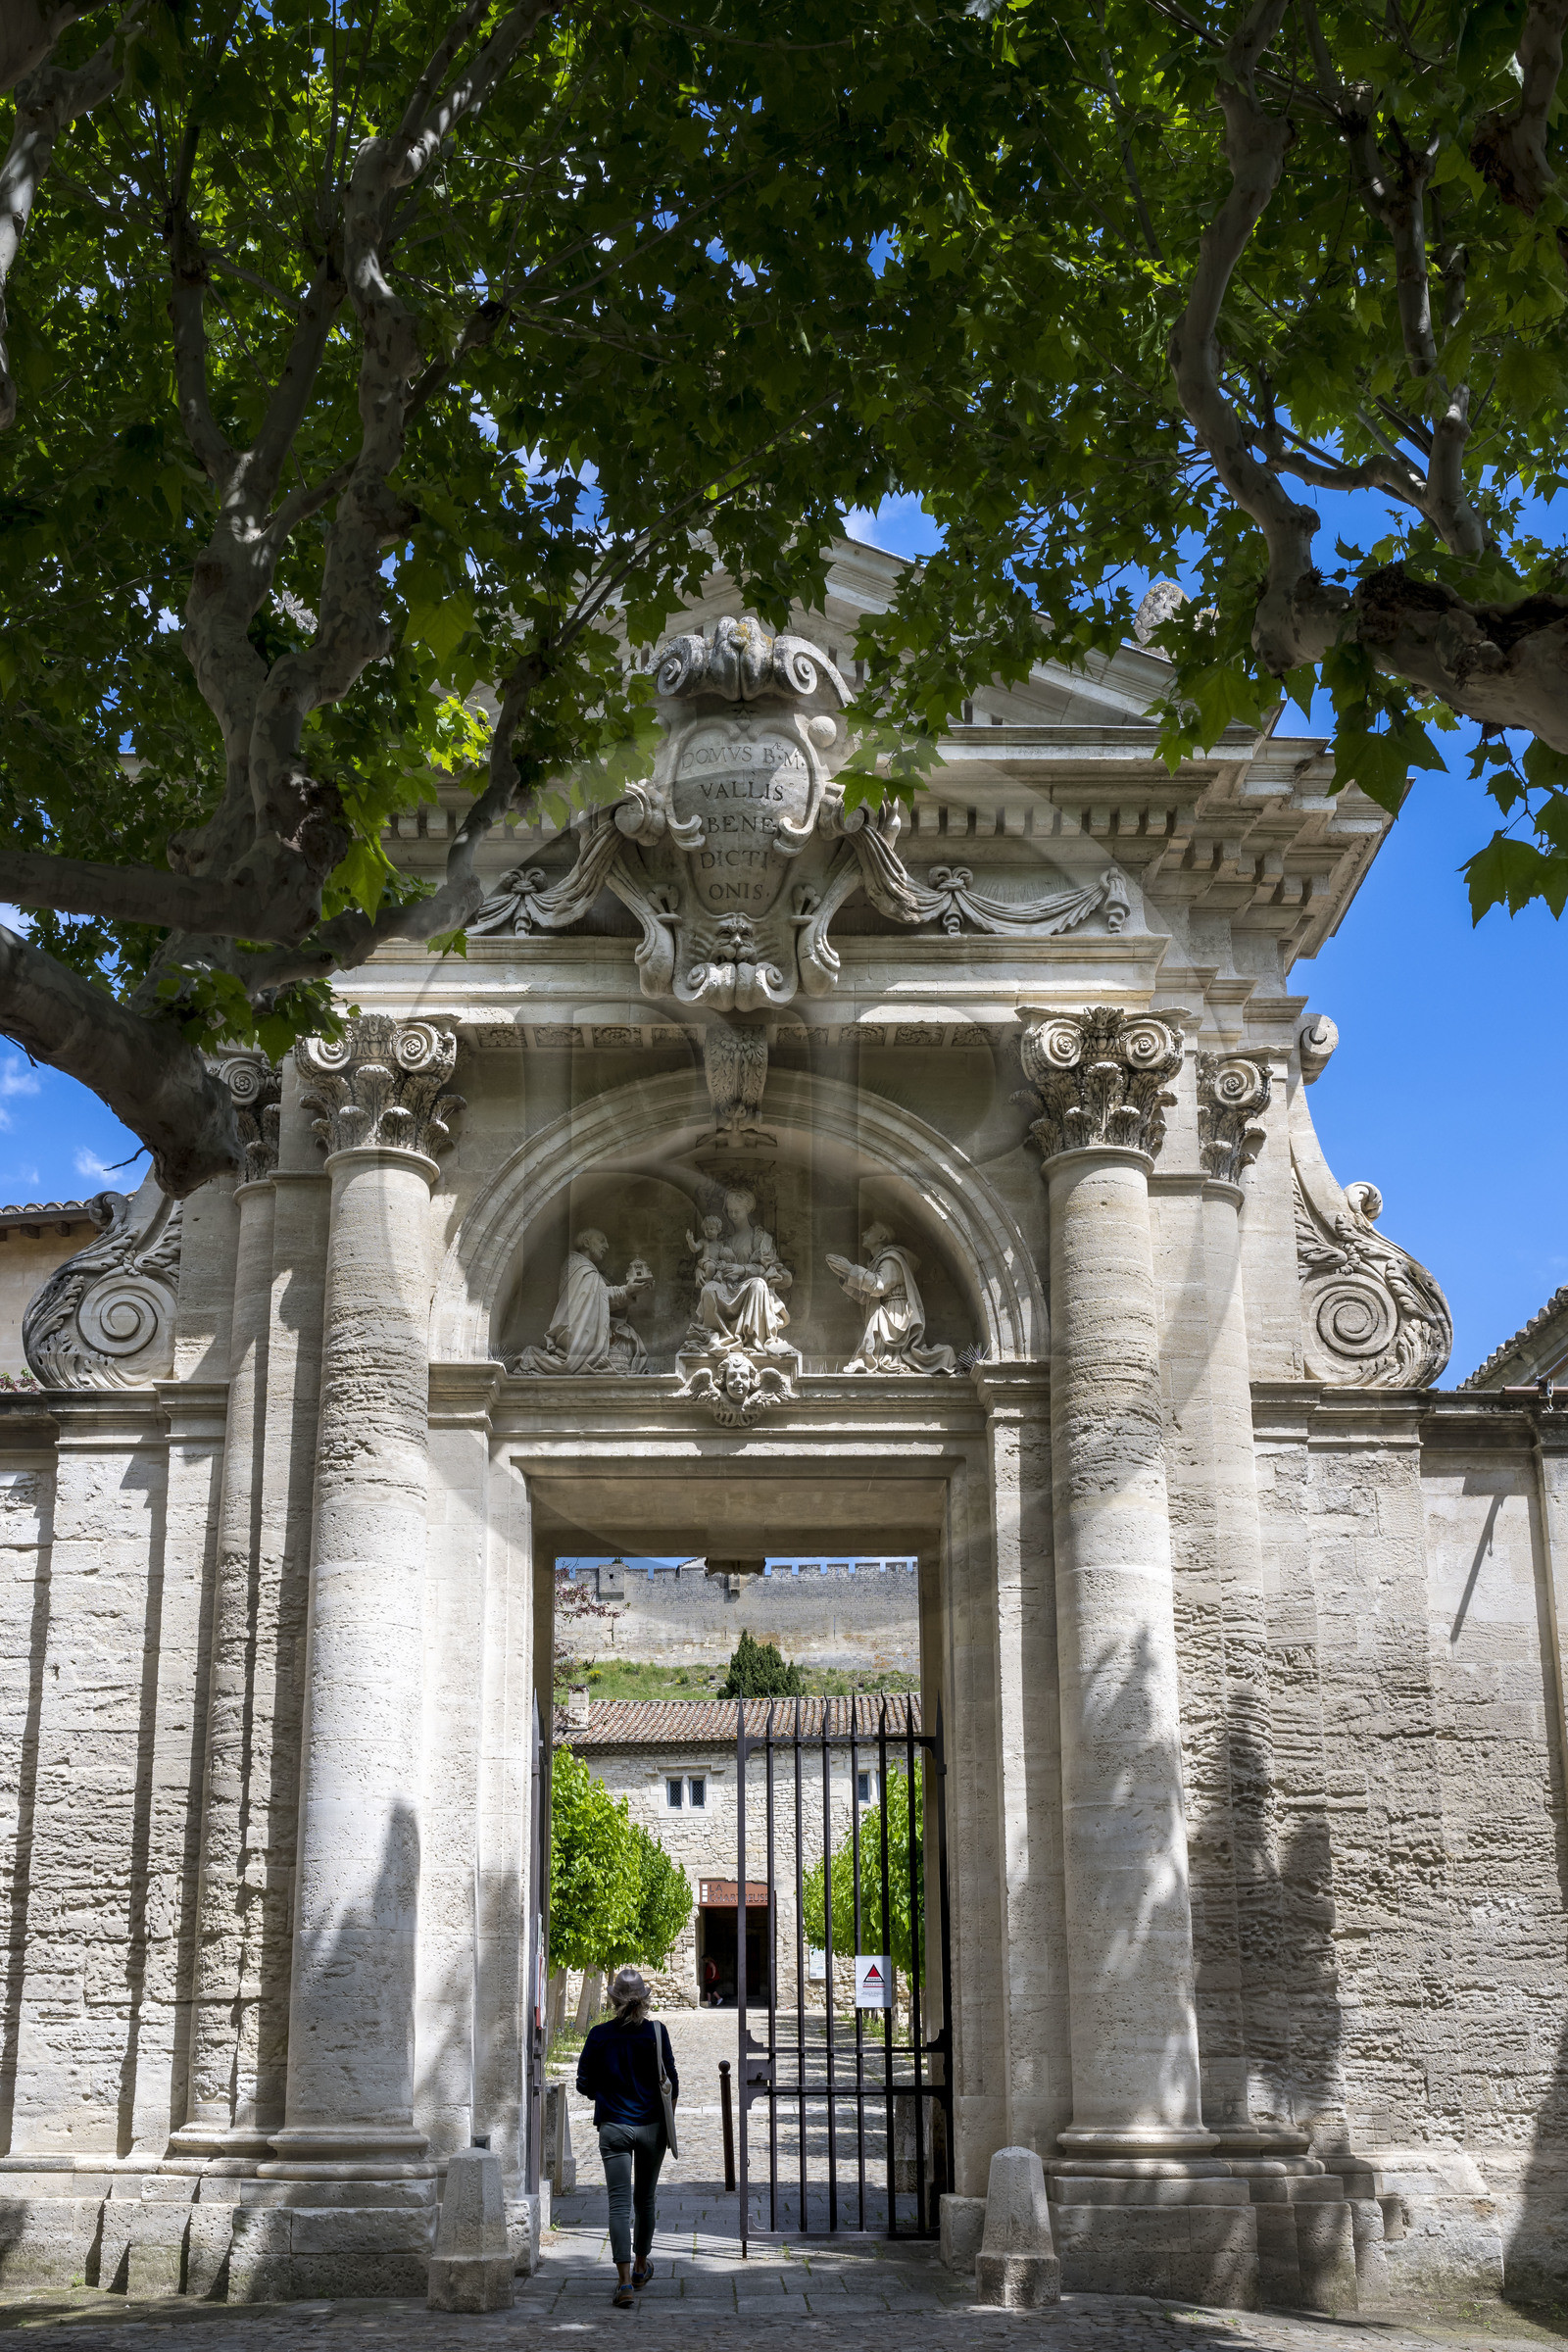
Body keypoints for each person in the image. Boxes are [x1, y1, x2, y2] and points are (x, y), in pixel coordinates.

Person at [575, 1965, 679, 2307]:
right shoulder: (657, 2033)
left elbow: (584, 2084)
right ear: (644, 2001)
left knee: (618, 2204)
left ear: (612, 2000)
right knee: (645, 2200)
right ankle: (639, 2265)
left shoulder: (598, 2035)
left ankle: (623, 2284)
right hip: (651, 2127)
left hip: (614, 2128)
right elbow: (673, 2083)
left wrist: (605, 2093)